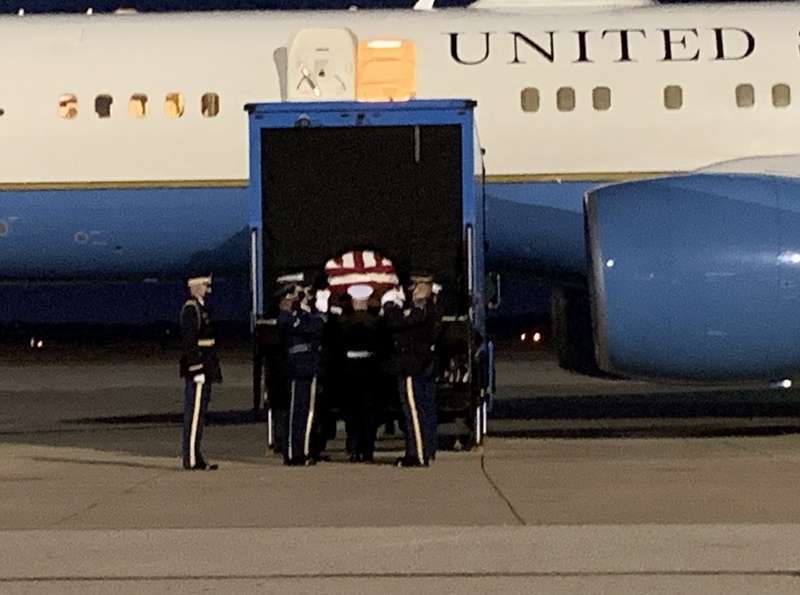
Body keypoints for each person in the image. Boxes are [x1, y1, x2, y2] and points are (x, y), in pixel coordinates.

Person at [381, 272, 443, 467]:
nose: (412, 289)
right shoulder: (431, 307)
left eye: (416, 285)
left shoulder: (422, 309)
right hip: (422, 363)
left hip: (413, 364)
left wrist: (393, 305)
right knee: (423, 409)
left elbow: (397, 323)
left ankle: (418, 454)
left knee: (415, 411)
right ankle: (424, 450)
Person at [277, 278, 325, 466]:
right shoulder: (287, 316)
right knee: (296, 411)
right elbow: (307, 327)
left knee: (307, 411)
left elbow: (319, 326)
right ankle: (292, 452)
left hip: (310, 364)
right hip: (298, 366)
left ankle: (303, 450)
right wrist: (304, 313)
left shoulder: (306, 314)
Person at [179, 273, 222, 471]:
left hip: (206, 364)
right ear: (195, 286)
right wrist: (196, 368)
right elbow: (190, 342)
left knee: (200, 414)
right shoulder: (191, 309)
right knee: (194, 414)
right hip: (199, 367)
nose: (207, 288)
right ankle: (191, 458)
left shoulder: (200, 307)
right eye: (204, 285)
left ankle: (196, 455)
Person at [339, 284, 381, 462]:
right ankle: (368, 449)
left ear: (353, 302)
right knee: (369, 412)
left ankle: (354, 448)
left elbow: (336, 346)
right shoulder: (376, 322)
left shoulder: (343, 322)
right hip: (371, 369)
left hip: (349, 369)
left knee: (352, 412)